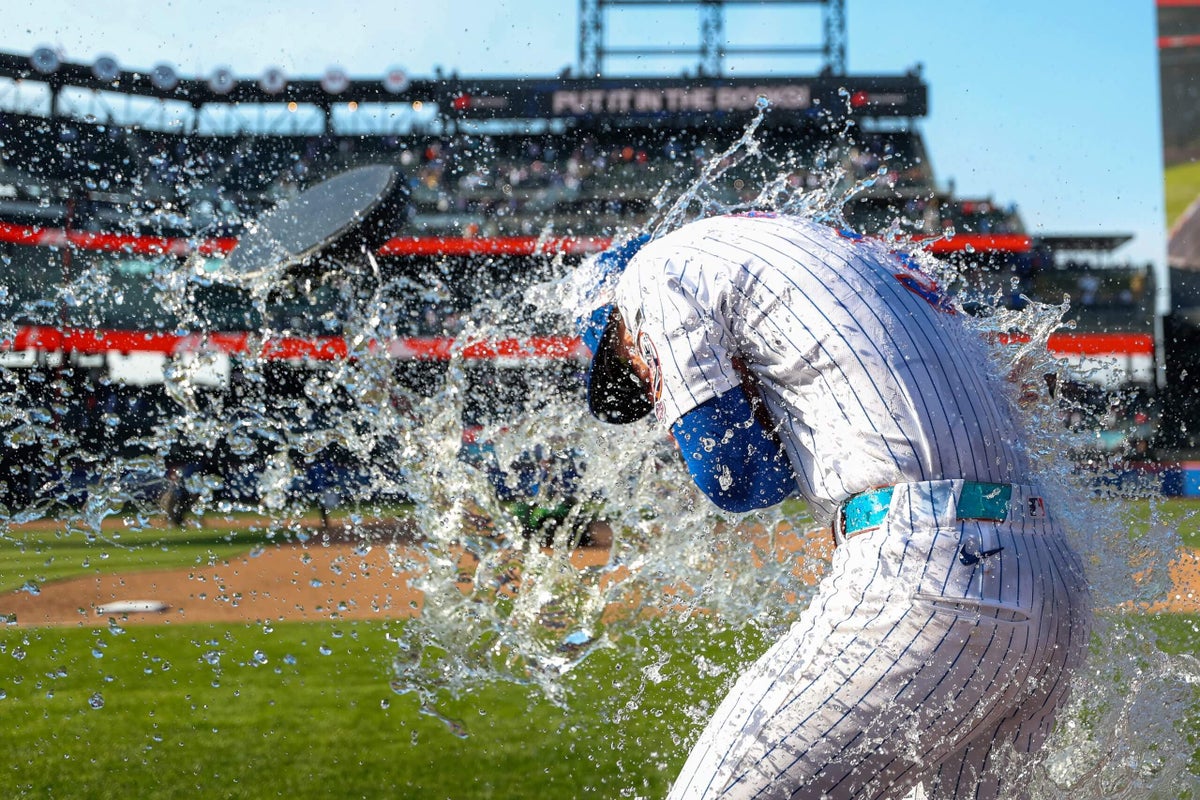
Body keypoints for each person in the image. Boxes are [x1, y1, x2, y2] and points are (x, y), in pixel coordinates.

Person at [577, 213, 1092, 800]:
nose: (647, 389)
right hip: (1048, 586)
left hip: (932, 577)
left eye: (633, 370)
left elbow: (736, 478)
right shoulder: (846, 250)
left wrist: (746, 400)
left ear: (615, 319)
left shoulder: (651, 274)